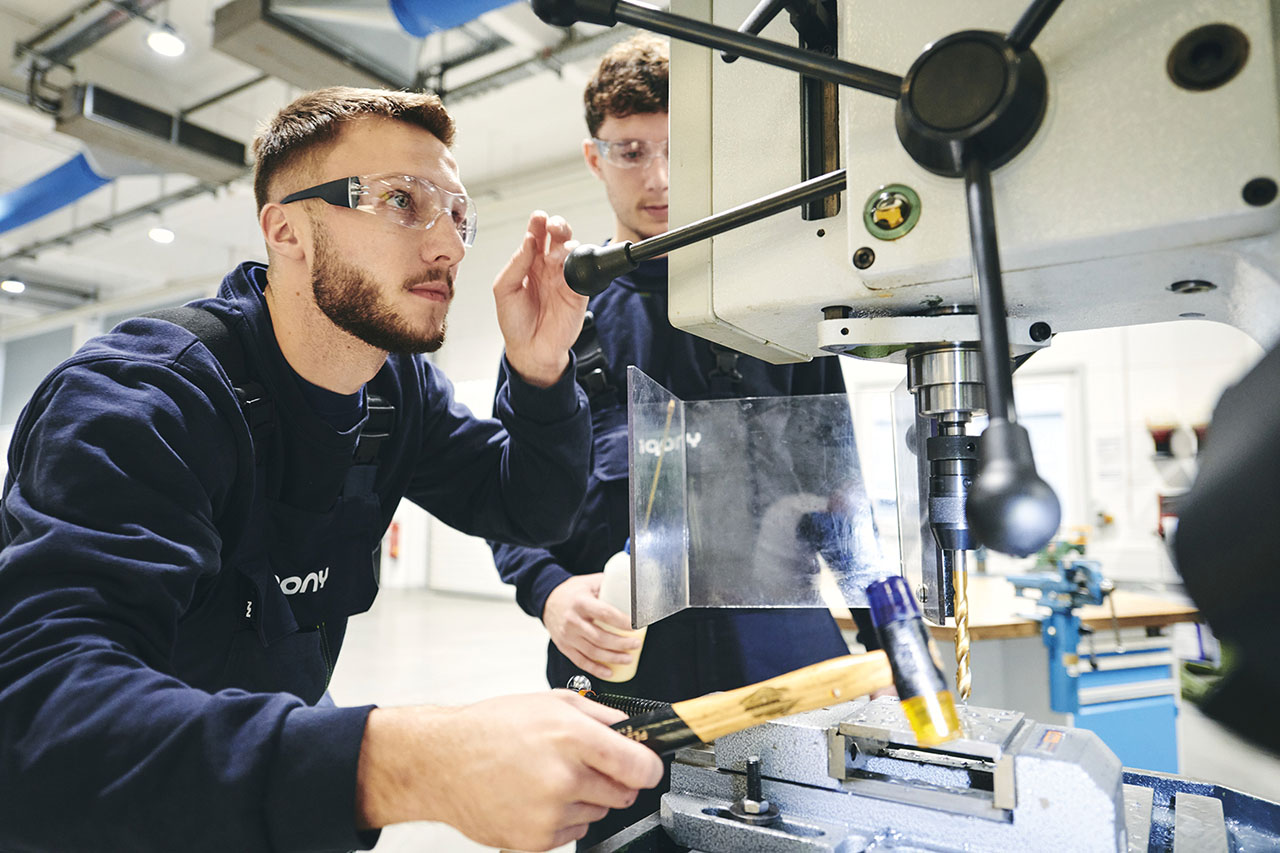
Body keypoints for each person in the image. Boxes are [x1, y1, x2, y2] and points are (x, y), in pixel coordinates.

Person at [0, 87, 661, 853]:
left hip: (271, 781)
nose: (446, 244)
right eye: (402, 201)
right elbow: (33, 720)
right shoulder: (141, 399)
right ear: (286, 230)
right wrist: (412, 763)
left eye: (455, 213)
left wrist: (541, 376)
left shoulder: (394, 391)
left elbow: (528, 508)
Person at [490, 36, 882, 847]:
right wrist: (551, 594)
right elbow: (511, 504)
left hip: (785, 672)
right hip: (623, 688)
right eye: (632, 151)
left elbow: (842, 495)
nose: (659, 177)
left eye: (677, 149)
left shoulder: (780, 314)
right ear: (596, 160)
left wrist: (889, 639)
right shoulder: (562, 326)